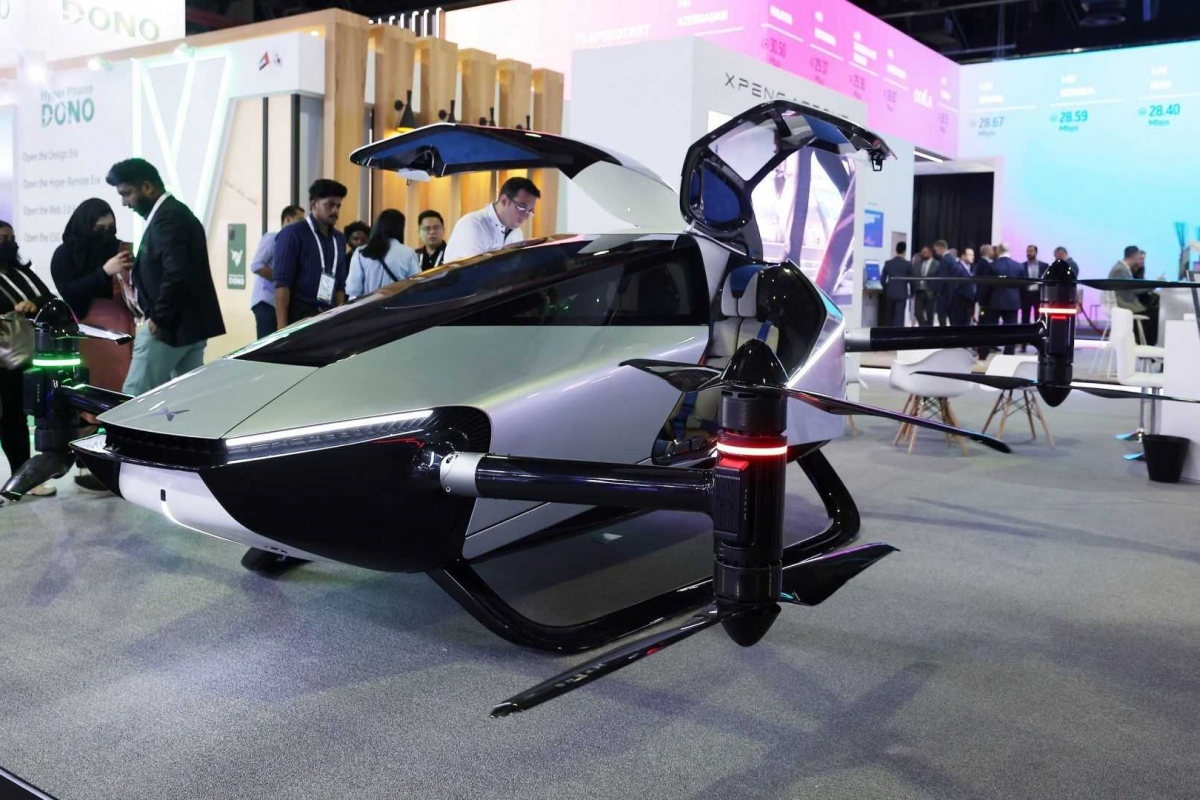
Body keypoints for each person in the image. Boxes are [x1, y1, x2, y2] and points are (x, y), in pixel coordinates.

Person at [106, 159, 225, 397]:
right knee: (186, 402)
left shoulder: (168, 218)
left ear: (147, 187)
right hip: (185, 327)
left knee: (132, 399)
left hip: (169, 327)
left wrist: (158, 319)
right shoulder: (174, 214)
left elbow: (177, 272)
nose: (124, 203)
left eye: (127, 194)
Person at [0, 222, 57, 497]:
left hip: (24, 354)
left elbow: (48, 297)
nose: (9, 244)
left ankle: (24, 477)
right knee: (10, 418)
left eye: (11, 238)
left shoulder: (22, 273)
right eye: (2, 239)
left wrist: (33, 303)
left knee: (18, 418)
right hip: (4, 358)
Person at [273, 179, 350, 328]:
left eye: (338, 206)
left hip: (329, 317)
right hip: (300, 318)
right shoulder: (293, 234)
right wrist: (281, 330)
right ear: (314, 204)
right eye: (330, 205)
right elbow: (282, 284)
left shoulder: (339, 239)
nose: (335, 211)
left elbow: (340, 285)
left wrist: (340, 321)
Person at [444, 176, 539, 262]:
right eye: (521, 208)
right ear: (504, 200)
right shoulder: (474, 225)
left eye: (530, 211)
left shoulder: (517, 233)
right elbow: (474, 272)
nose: (526, 216)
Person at [249, 205, 305, 340]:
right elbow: (256, 266)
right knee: (267, 344)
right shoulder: (272, 238)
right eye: (299, 220)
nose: (302, 225)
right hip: (266, 302)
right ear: (288, 219)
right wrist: (282, 278)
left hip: (281, 304)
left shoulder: (295, 243)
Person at [346, 209, 420, 298]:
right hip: (397, 304)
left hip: (369, 305)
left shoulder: (360, 253)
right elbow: (416, 287)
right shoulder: (408, 253)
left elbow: (354, 289)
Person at [978, 243, 1023, 359]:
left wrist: (982, 301)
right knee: (1011, 331)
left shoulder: (992, 265)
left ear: (998, 251)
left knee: (989, 330)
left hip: (994, 302)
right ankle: (1008, 356)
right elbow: (1023, 286)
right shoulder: (1019, 266)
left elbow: (986, 286)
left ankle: (983, 355)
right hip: (1013, 302)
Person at [1110, 245, 1158, 345]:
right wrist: (1155, 284)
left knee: (1153, 310)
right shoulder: (1120, 269)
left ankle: (1146, 343)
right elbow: (1133, 290)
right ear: (1134, 256)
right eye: (1138, 257)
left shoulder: (1123, 268)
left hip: (1127, 302)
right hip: (1125, 304)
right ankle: (1148, 344)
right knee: (1155, 314)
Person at [880, 241, 910, 326]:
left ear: (896, 250)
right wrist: (912, 292)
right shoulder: (907, 264)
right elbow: (912, 280)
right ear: (905, 251)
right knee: (899, 318)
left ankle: (888, 333)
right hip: (902, 295)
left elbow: (882, 280)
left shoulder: (888, 263)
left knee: (889, 317)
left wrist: (886, 289)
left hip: (890, 294)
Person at [947, 248, 976, 326]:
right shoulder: (957, 268)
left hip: (967, 305)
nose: (973, 257)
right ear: (963, 256)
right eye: (970, 255)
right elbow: (955, 287)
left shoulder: (970, 268)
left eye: (973, 255)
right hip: (959, 306)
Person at [1021, 245, 1048, 326]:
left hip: (1038, 294)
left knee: (1038, 316)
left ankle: (1038, 331)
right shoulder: (1022, 266)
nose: (1028, 253)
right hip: (1026, 294)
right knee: (1025, 317)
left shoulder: (1044, 266)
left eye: (1031, 251)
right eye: (1027, 251)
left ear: (1036, 252)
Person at [912, 245, 938, 327]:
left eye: (925, 252)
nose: (923, 254)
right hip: (919, 291)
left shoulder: (937, 264)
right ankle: (924, 327)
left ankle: (928, 330)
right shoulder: (917, 263)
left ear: (930, 253)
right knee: (918, 313)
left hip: (930, 293)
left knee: (930, 315)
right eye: (922, 252)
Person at [932, 240, 956, 326]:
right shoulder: (952, 259)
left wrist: (935, 290)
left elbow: (942, 278)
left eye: (936, 250)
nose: (936, 253)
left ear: (941, 248)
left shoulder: (945, 260)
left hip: (944, 294)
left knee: (942, 318)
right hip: (951, 293)